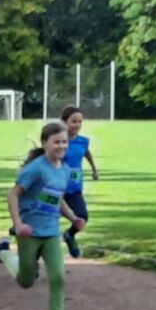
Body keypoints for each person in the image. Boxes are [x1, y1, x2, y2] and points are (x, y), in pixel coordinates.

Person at [0, 122, 86, 310]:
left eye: (64, 142)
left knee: (58, 277)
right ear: (45, 143)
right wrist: (18, 224)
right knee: (26, 281)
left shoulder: (65, 170)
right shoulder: (36, 169)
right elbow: (13, 195)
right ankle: (2, 253)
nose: (61, 146)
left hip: (51, 233)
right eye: (56, 142)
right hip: (29, 232)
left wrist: (73, 218)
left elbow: (57, 199)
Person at [59, 106, 99, 259]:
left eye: (80, 122)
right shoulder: (59, 141)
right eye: (73, 121)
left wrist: (94, 169)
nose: (77, 125)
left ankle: (69, 235)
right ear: (64, 122)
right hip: (56, 188)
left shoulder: (83, 141)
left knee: (82, 216)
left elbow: (86, 152)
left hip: (74, 188)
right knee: (45, 217)